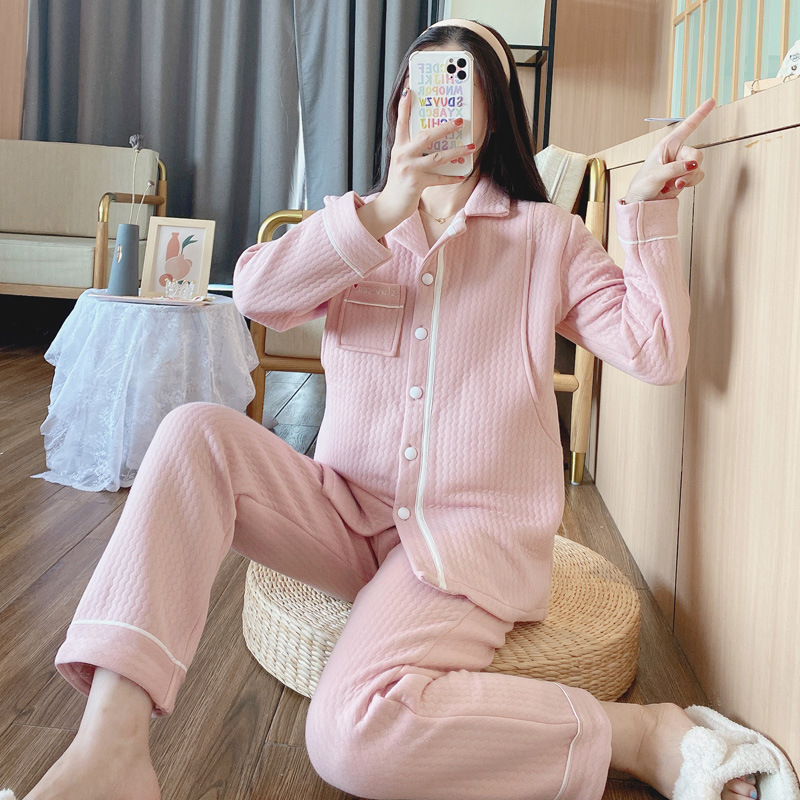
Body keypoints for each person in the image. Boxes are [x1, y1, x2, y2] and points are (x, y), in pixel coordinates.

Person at [12, 18, 767, 800]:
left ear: (493, 113)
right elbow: (259, 297)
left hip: (465, 543)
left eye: (461, 82)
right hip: (345, 514)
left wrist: (648, 215)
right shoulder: (360, 224)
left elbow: (655, 352)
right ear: (401, 107)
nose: (438, 101)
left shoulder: (546, 237)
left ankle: (637, 734)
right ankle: (111, 747)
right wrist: (382, 210)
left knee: (352, 734)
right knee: (192, 434)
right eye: (421, 85)